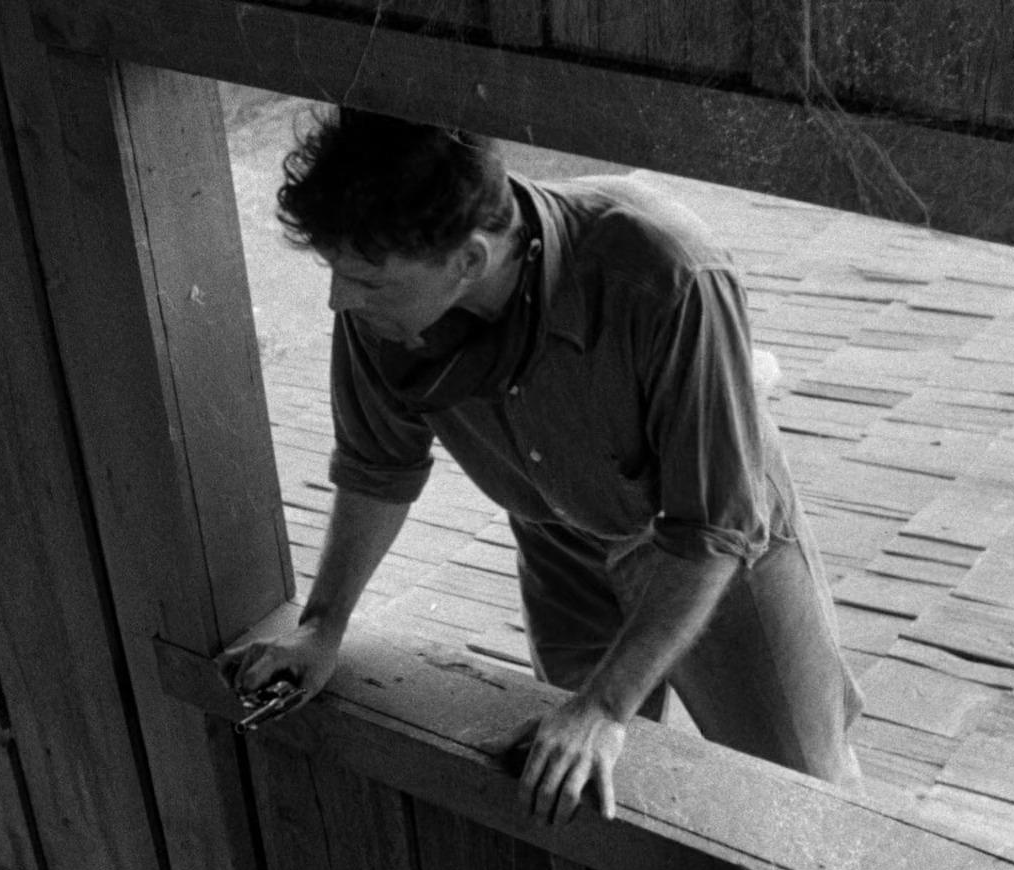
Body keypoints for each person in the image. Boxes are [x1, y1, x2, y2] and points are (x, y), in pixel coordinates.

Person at [220, 108, 864, 825]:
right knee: (577, 780)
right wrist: (323, 625)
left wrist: (604, 706)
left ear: (469, 260)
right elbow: (378, 467)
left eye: (365, 281)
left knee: (803, 792)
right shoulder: (382, 306)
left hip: (709, 533)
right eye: (336, 273)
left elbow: (713, 525)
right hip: (556, 532)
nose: (339, 299)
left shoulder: (666, 272)